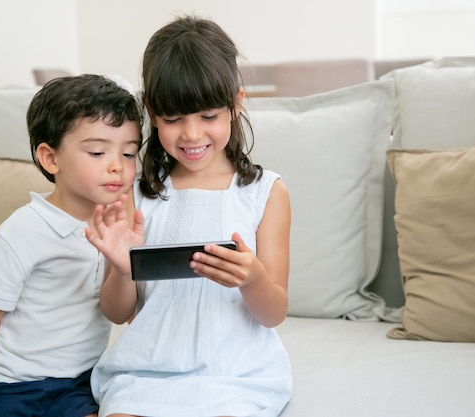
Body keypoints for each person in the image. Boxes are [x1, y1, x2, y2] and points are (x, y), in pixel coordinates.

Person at [86, 15, 293, 417]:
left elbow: (274, 314)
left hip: (234, 375)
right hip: (147, 370)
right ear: (151, 111)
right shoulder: (137, 193)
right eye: (174, 119)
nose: (192, 135)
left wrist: (252, 277)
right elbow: (118, 313)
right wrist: (121, 269)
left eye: (208, 117)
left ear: (235, 103)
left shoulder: (265, 194)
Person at [0, 74, 144, 417]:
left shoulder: (119, 225)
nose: (118, 166)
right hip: (9, 386)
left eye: (129, 153)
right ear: (51, 159)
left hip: (78, 386)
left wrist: (123, 267)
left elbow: (121, 313)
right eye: (98, 151)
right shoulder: (22, 230)